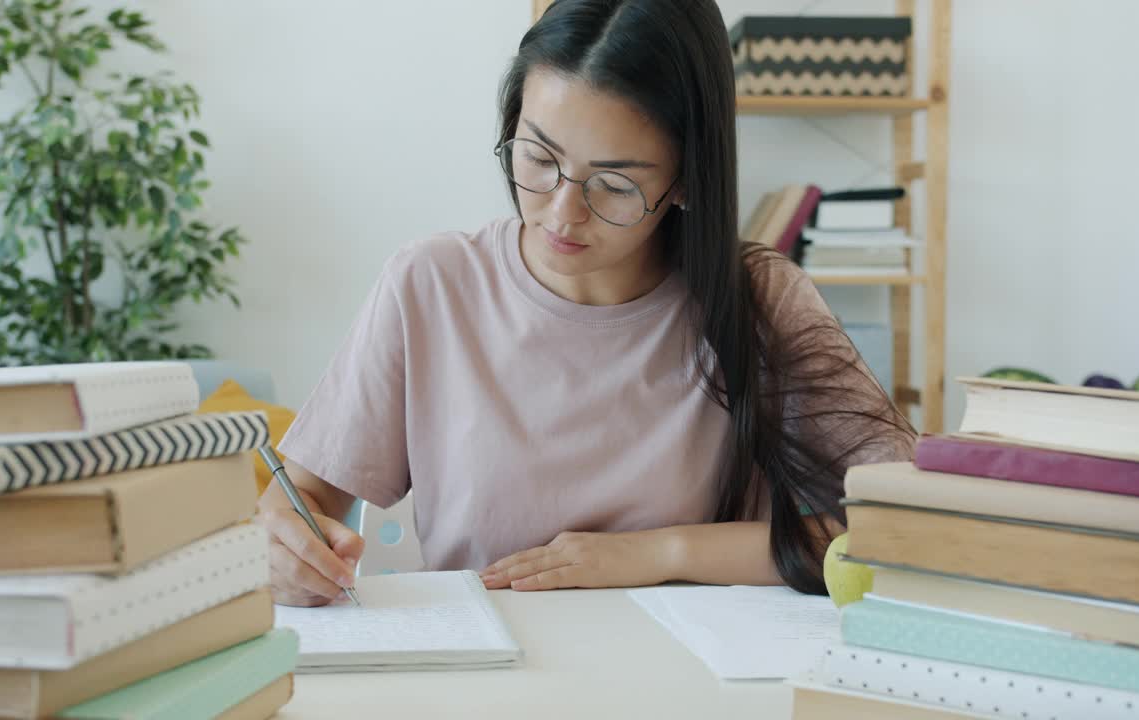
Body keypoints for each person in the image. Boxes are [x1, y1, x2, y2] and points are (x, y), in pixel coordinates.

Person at [257, 0, 914, 608]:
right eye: (538, 157)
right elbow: (305, 497)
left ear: (686, 179)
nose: (562, 214)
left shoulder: (759, 301)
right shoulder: (430, 285)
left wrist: (661, 552)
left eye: (615, 184)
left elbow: (908, 525)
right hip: (490, 675)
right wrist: (285, 545)